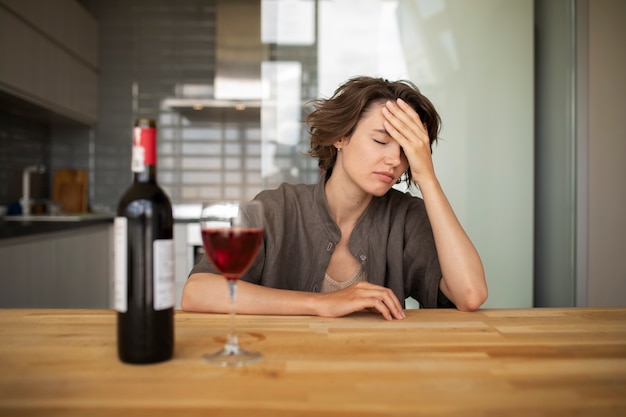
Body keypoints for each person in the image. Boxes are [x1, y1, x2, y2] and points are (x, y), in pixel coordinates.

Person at [181, 76, 487, 320]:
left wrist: (427, 178)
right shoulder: (278, 207)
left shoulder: (406, 217)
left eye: (406, 150)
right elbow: (197, 292)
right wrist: (320, 304)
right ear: (342, 137)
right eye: (381, 140)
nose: (394, 160)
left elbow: (470, 294)